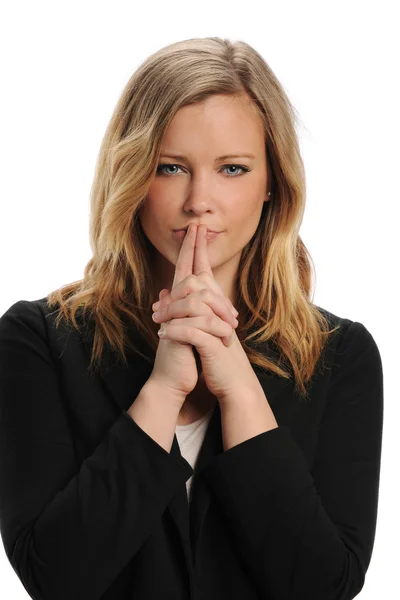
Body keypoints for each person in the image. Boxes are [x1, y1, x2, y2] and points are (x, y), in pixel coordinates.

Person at [0, 37, 383, 600]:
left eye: (232, 168)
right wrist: (164, 387)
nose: (200, 199)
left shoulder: (341, 354)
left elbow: (324, 587)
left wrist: (239, 390)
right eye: (171, 167)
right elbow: (56, 579)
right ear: (131, 175)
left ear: (273, 182)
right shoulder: (37, 341)